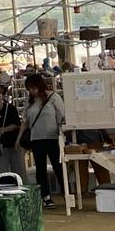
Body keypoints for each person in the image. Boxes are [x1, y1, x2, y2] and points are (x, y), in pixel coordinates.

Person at [18, 73, 65, 208]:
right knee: (40, 169)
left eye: (33, 88)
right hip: (36, 139)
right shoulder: (30, 102)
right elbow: (25, 121)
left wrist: (61, 133)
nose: (31, 91)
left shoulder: (53, 97)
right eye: (29, 89)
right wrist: (19, 138)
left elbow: (61, 116)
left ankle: (66, 193)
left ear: (40, 86)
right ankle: (46, 197)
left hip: (53, 138)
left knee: (58, 167)